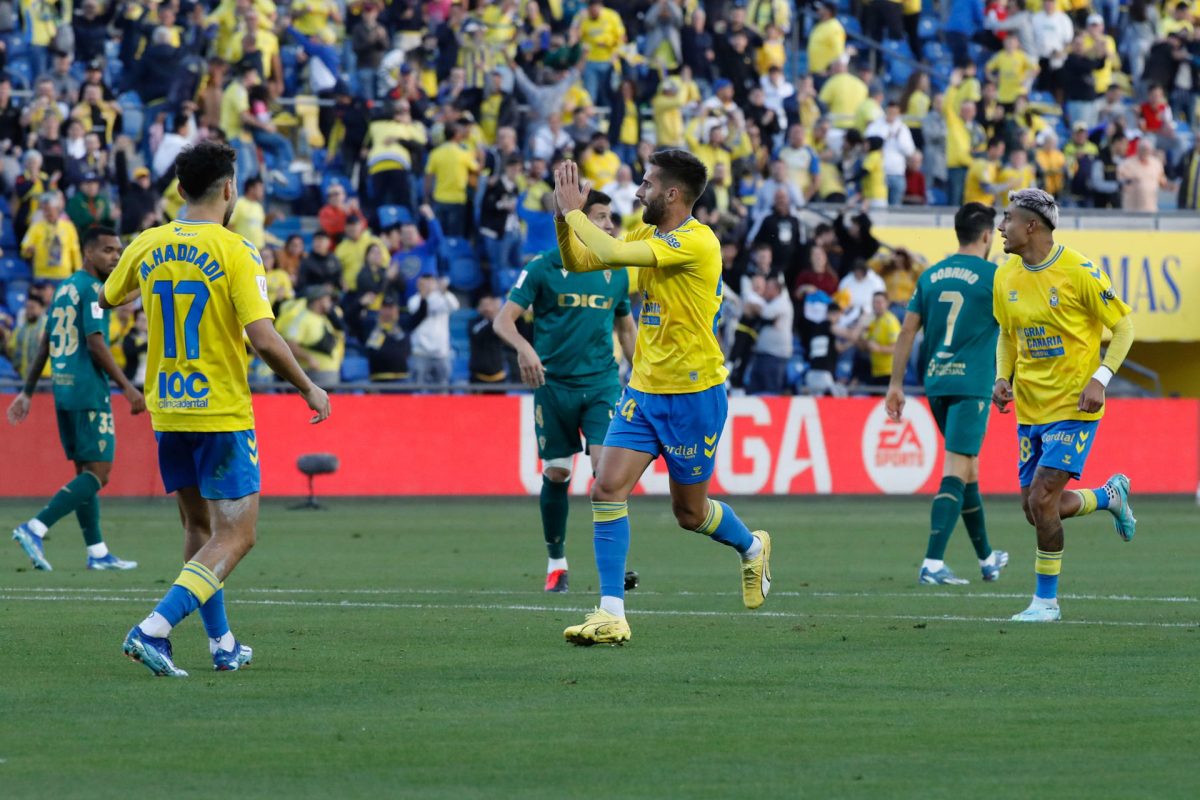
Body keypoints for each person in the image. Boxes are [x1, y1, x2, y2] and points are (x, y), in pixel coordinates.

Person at [100, 141, 331, 676]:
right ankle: (152, 629)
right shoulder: (237, 250)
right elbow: (263, 338)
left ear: (180, 189)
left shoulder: (147, 243)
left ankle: (222, 643)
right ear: (229, 189)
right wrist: (308, 387)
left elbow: (111, 296)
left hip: (168, 410)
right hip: (220, 412)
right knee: (238, 534)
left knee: (199, 528)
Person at [551, 152, 773, 645]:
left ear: (672, 194)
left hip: (694, 396)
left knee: (689, 514)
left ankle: (752, 547)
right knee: (606, 489)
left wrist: (573, 213)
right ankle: (611, 613)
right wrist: (563, 221)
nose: (638, 191)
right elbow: (582, 261)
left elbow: (609, 252)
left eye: (647, 184)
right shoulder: (646, 233)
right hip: (644, 392)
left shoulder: (698, 241)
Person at [992, 188, 1136, 623]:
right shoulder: (1006, 276)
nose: (1001, 227)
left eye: (1008, 219)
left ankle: (1046, 603)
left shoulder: (1079, 271)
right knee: (1034, 510)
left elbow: (1124, 326)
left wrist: (1100, 379)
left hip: (1076, 405)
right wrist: (1003, 377)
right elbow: (1007, 334)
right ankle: (1109, 496)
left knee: (1042, 499)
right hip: (1030, 408)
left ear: (1031, 225)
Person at [492, 190, 636, 594]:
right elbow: (503, 321)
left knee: (607, 474)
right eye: (601, 216)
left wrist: (643, 374)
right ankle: (556, 563)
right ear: (579, 221)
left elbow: (625, 327)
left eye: (610, 217)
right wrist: (525, 349)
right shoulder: (543, 266)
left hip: (602, 384)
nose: (610, 225)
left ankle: (614, 565)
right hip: (553, 386)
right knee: (558, 472)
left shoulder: (616, 269)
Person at [8, 226, 145, 572]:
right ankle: (35, 527)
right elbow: (96, 343)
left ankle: (97, 552)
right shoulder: (93, 289)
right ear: (88, 252)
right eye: (108, 250)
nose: (115, 257)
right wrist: (128, 388)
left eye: (118, 251)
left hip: (64, 389)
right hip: (87, 389)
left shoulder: (66, 287)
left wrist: (27, 391)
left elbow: (46, 343)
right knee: (100, 472)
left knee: (85, 471)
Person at [886, 203, 1008, 585]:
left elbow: (907, 331)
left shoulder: (931, 276)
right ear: (986, 236)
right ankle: (933, 562)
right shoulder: (994, 277)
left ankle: (987, 559)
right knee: (957, 468)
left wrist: (895, 385)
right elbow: (1014, 331)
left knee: (968, 469)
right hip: (972, 386)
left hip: (936, 384)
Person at [283, 285, 345, 389]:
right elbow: (291, 345)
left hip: (331, 373)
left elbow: (343, 329)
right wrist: (309, 359)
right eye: (327, 299)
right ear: (318, 301)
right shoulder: (303, 318)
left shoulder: (327, 318)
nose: (330, 303)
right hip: (312, 374)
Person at [407, 275, 460, 386]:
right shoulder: (413, 300)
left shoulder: (443, 298)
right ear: (418, 285)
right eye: (424, 283)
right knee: (418, 388)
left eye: (430, 283)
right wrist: (425, 295)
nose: (427, 286)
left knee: (443, 388)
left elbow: (455, 306)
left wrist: (444, 291)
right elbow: (421, 311)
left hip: (441, 352)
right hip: (420, 352)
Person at [21, 192, 82, 281]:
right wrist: (28, 250)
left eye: (49, 209)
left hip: (64, 275)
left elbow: (75, 252)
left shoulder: (69, 227)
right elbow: (24, 250)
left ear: (57, 209)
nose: (47, 213)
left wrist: (79, 273)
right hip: (42, 276)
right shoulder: (35, 227)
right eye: (44, 210)